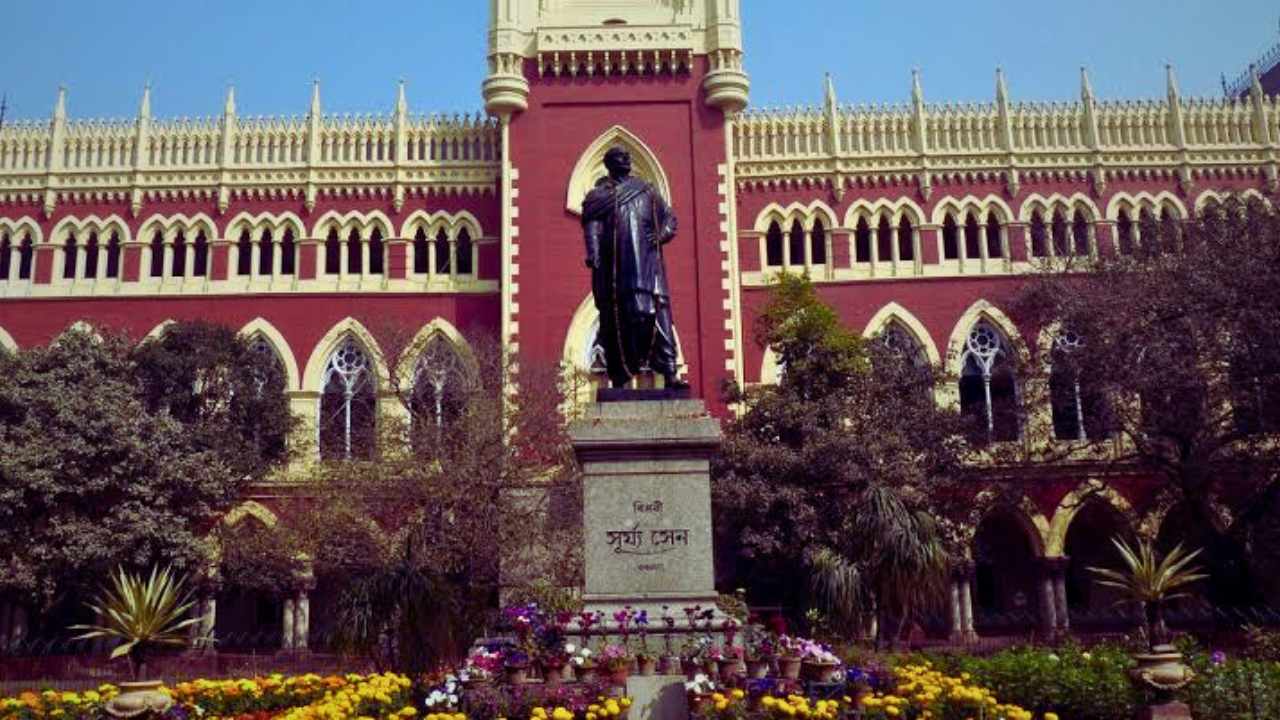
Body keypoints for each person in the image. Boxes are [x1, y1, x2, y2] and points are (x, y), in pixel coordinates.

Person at [581, 146, 685, 390]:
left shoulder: (647, 191)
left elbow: (670, 219)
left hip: (649, 267)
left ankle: (669, 372)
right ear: (609, 164)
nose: (626, 159)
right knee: (616, 320)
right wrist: (594, 254)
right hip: (616, 269)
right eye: (620, 157)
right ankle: (620, 375)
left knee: (659, 316)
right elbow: (592, 227)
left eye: (628, 157)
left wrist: (660, 236)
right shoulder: (598, 197)